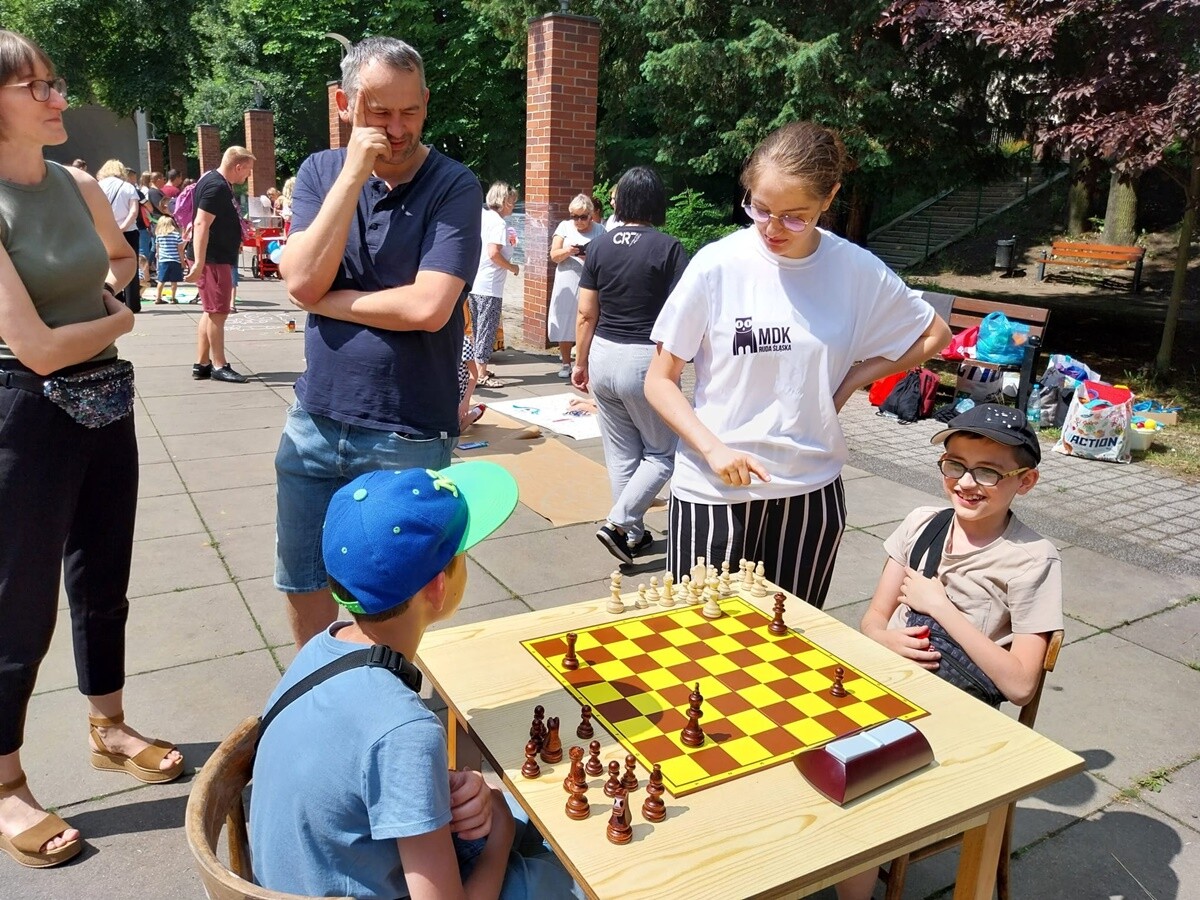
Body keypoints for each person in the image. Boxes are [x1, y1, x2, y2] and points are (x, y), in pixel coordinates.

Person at [0, 29, 183, 870]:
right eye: (35, 86)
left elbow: (121, 260)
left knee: (103, 573)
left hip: (104, 395)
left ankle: (107, 727)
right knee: (18, 599)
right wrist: (114, 321)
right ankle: (5, 783)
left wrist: (111, 301)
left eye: (54, 82)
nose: (56, 97)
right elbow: (33, 349)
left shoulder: (77, 183)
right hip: (24, 413)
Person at [645, 121, 951, 606]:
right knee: (704, 654)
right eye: (760, 209)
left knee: (789, 654)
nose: (771, 228)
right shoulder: (717, 265)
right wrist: (712, 449)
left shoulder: (854, 269)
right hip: (715, 493)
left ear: (829, 198)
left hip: (810, 493)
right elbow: (659, 381)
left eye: (794, 217)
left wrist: (853, 379)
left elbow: (934, 334)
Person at [251, 463, 581, 900]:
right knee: (565, 871)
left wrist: (437, 784)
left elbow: (358, 768)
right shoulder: (403, 729)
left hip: (306, 875)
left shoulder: (319, 650)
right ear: (438, 588)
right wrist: (499, 829)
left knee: (525, 813)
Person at [275, 36, 482, 648]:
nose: (396, 128)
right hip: (314, 422)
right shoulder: (319, 172)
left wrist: (328, 301)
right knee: (303, 577)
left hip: (407, 431)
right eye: (378, 111)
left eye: (409, 111)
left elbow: (427, 306)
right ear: (344, 104)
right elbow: (303, 277)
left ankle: (388, 708)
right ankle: (313, 695)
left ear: (425, 104)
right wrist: (352, 175)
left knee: (402, 594)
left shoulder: (454, 185)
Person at [837, 403, 1061, 900]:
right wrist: (883, 636)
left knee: (861, 790)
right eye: (955, 464)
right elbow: (872, 618)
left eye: (989, 471)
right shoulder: (924, 523)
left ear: (1025, 482)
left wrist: (941, 608)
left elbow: (1022, 685)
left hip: (949, 719)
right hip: (881, 689)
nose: (965, 482)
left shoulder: (1031, 559)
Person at [572, 167, 687, 564]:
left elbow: (586, 313)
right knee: (662, 453)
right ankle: (620, 521)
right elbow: (681, 316)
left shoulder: (600, 246)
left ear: (619, 202)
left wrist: (579, 361)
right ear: (658, 202)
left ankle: (632, 536)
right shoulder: (669, 248)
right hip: (646, 360)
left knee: (621, 455)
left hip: (603, 353)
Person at [183, 145, 254, 383]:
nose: (248, 176)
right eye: (248, 170)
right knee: (218, 313)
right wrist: (200, 263)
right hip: (214, 260)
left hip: (214, 258)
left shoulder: (213, 181)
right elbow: (202, 224)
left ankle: (202, 363)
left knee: (210, 311)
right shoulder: (216, 186)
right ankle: (219, 364)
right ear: (238, 166)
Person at [546, 194, 605, 379]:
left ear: (591, 215)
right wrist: (568, 251)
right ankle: (565, 362)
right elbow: (554, 255)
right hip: (567, 278)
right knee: (565, 320)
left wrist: (590, 257)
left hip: (590, 281)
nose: (578, 221)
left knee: (588, 320)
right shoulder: (564, 227)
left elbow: (607, 258)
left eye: (582, 217)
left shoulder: (601, 230)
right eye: (574, 216)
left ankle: (584, 362)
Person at [469, 182, 518, 388]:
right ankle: (481, 373)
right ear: (504, 201)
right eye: (512, 202)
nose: (513, 206)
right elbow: (493, 253)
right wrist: (512, 267)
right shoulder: (498, 223)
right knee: (487, 330)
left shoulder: (482, 217)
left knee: (477, 329)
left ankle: (475, 370)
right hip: (490, 285)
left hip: (475, 281)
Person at [95, 158, 141, 313]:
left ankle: (108, 299)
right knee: (130, 265)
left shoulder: (97, 186)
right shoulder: (128, 187)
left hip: (104, 231)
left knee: (105, 266)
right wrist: (122, 227)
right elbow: (134, 211)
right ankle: (132, 303)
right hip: (128, 231)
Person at [153, 213, 183, 304]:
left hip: (163, 260)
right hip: (175, 260)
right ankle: (173, 298)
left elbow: (157, 248)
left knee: (161, 280)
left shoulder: (159, 236)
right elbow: (180, 250)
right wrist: (183, 262)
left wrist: (157, 255)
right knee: (174, 281)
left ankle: (158, 298)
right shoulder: (176, 235)